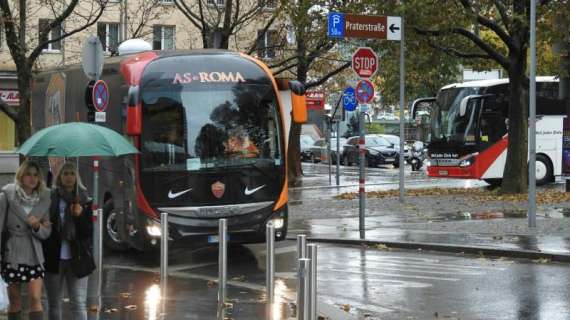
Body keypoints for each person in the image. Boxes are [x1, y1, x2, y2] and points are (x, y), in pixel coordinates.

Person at [0, 160, 52, 320]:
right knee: (15, 301)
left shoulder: (44, 199)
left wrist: (37, 227)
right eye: (28, 174)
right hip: (12, 253)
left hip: (34, 254)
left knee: (36, 298)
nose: (32, 178)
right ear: (21, 176)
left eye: (36, 175)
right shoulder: (7, 196)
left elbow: (46, 232)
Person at [42, 162, 94, 320]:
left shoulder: (84, 199)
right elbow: (44, 225)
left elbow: (87, 232)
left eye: (72, 173)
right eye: (65, 174)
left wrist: (79, 217)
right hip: (53, 257)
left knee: (78, 303)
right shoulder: (50, 197)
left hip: (77, 257)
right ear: (60, 177)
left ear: (76, 177)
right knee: (53, 303)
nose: (69, 177)